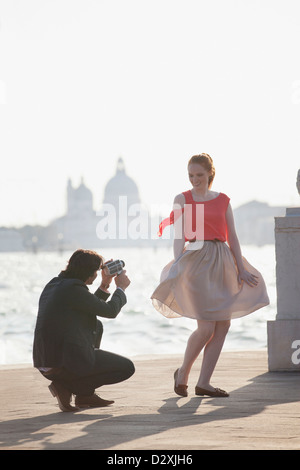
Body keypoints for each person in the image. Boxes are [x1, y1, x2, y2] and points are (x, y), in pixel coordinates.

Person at [151, 154, 269, 398]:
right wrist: (177, 263)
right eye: (191, 176)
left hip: (222, 260)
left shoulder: (224, 200)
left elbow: (232, 237)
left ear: (210, 175)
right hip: (195, 260)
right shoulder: (181, 199)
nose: (195, 180)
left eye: (200, 175)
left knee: (223, 325)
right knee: (206, 327)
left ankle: (204, 382)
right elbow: (179, 235)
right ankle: (183, 373)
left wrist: (241, 267)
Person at [33, 249, 135, 412]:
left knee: (96, 325)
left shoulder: (56, 284)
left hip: (46, 362)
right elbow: (110, 311)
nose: (97, 275)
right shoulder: (74, 289)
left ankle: (83, 394)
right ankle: (72, 388)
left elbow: (89, 306)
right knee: (127, 367)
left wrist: (105, 283)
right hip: (61, 363)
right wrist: (121, 288)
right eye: (96, 272)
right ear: (90, 273)